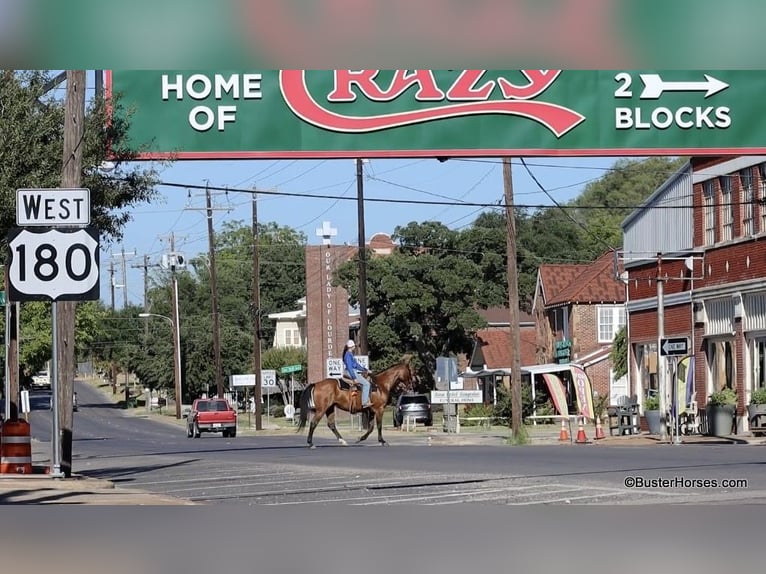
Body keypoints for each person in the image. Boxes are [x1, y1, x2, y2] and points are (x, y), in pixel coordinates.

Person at [342, 339, 372, 408]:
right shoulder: (348, 355)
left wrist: (365, 370)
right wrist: (354, 378)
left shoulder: (350, 354)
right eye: (354, 346)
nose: (355, 347)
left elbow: (357, 365)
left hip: (353, 371)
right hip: (351, 372)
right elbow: (350, 368)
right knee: (367, 384)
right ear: (351, 347)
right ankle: (364, 402)